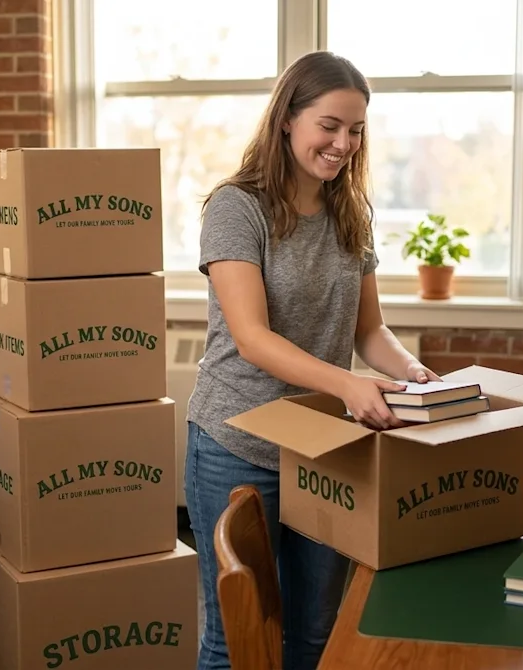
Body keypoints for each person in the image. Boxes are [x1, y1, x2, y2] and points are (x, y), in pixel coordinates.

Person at [184, 51, 442, 670]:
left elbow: (370, 329)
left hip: (323, 450)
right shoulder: (235, 208)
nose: (343, 143)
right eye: (330, 125)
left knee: (315, 633)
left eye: (355, 130)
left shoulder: (351, 213)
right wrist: (349, 386)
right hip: (235, 443)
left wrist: (409, 371)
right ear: (287, 119)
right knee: (236, 637)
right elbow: (252, 337)